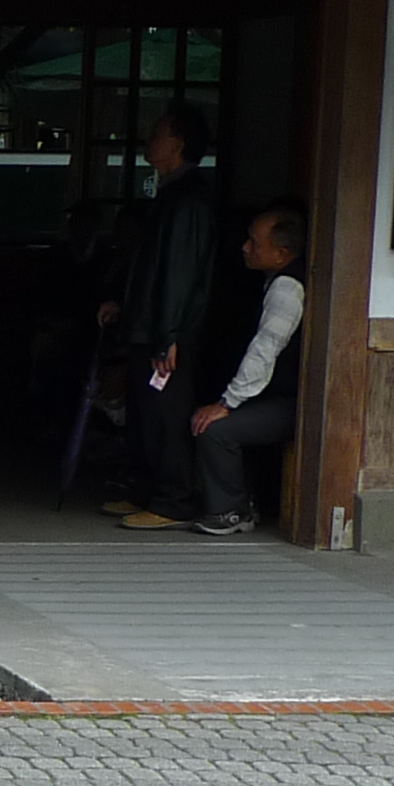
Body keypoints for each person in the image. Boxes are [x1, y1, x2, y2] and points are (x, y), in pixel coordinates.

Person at [136, 204, 305, 537]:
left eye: (254, 242)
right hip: (273, 395)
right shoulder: (271, 280)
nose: (245, 247)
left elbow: (265, 350)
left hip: (290, 402)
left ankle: (232, 511)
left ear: (281, 254)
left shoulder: (287, 289)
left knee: (215, 429)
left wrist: (227, 403)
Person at [95, 103, 219, 523]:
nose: (150, 141)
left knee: (166, 416)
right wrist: (126, 306)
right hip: (150, 325)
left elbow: (179, 274)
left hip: (168, 332)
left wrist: (169, 335)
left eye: (158, 133)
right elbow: (151, 268)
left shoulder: (189, 199)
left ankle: (173, 501)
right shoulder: (170, 193)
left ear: (177, 143)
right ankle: (146, 492)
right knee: (144, 415)